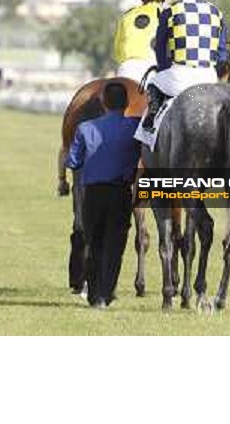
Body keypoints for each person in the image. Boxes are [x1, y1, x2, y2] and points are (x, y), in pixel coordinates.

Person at [66, 82, 141, 308]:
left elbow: (73, 161)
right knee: (115, 245)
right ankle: (107, 293)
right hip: (121, 192)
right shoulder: (134, 128)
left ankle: (94, 292)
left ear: (103, 103)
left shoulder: (85, 128)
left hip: (93, 193)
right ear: (127, 104)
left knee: (94, 242)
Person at [142, 0, 228, 131]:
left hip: (178, 77)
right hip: (208, 78)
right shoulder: (217, 13)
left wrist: (165, 68)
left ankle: (149, 127)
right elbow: (222, 55)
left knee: (153, 82)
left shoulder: (170, 11)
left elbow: (160, 49)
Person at [113, 0, 169, 82]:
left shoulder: (126, 15)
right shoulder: (167, 15)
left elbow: (117, 51)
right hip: (152, 69)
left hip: (125, 69)